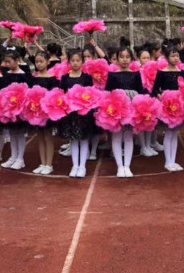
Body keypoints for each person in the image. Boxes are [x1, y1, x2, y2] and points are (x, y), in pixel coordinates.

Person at [104, 45, 146, 177]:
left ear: (132, 59)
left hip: (131, 108)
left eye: (127, 57)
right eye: (121, 57)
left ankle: (127, 166)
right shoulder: (112, 75)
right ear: (116, 59)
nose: (125, 59)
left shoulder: (136, 74)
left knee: (128, 136)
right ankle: (119, 166)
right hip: (116, 108)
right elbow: (107, 92)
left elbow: (140, 92)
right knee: (116, 136)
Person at [59, 49, 97, 178]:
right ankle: (75, 165)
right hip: (71, 114)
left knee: (84, 139)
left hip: (84, 113)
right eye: (72, 60)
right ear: (69, 62)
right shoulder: (65, 78)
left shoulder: (87, 77)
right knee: (73, 140)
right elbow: (62, 93)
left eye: (78, 60)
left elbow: (90, 94)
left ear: (82, 62)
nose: (75, 63)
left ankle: (82, 166)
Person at [151, 45, 184, 172]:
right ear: (166, 58)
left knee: (174, 133)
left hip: (178, 104)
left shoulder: (181, 72)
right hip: (166, 105)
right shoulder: (161, 72)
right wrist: (163, 98)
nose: (176, 58)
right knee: (168, 132)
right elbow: (155, 90)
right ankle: (168, 162)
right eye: (173, 56)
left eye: (177, 55)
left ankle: (173, 160)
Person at [0, 50, 32, 170]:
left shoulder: (24, 75)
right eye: (6, 62)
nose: (7, 64)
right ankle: (13, 156)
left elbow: (27, 91)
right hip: (9, 108)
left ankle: (20, 158)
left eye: (9, 62)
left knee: (20, 133)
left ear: (17, 60)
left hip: (20, 108)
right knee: (12, 133)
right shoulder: (6, 74)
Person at [30, 51, 61, 175]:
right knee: (40, 137)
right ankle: (42, 163)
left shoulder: (53, 79)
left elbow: (55, 95)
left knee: (48, 137)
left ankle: (49, 164)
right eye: (36, 62)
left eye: (41, 61)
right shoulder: (33, 78)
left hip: (47, 112)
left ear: (48, 62)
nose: (39, 64)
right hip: (36, 112)